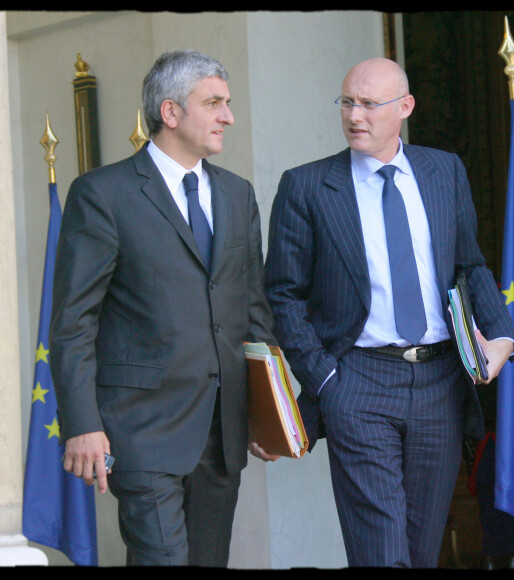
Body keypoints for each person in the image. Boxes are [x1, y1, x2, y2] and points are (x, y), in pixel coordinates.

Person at [264, 57, 514, 568]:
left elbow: (469, 264)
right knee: (381, 553)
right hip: (357, 381)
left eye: (369, 104)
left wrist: (502, 339)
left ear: (404, 107)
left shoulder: (444, 170)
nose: (355, 115)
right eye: (347, 102)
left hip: (441, 382)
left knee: (421, 552)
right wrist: (327, 380)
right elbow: (283, 293)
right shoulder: (307, 186)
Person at [50, 50, 277, 567]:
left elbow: (254, 311)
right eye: (214, 102)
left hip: (223, 433)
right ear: (170, 112)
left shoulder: (238, 195)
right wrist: (83, 424)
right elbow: (72, 322)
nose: (228, 116)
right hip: (141, 429)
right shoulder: (102, 194)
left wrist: (269, 413)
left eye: (228, 103)